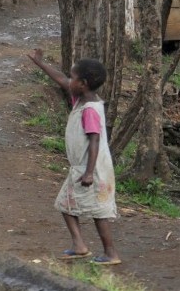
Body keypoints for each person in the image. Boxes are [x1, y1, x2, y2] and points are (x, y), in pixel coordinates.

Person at [28, 49, 121, 266]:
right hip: (83, 167)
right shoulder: (81, 98)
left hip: (91, 169)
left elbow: (94, 140)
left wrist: (89, 172)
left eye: (73, 77)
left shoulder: (89, 109)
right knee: (74, 206)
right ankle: (82, 246)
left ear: (83, 83)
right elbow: (61, 79)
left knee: (94, 211)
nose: (69, 80)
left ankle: (109, 252)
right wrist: (40, 63)